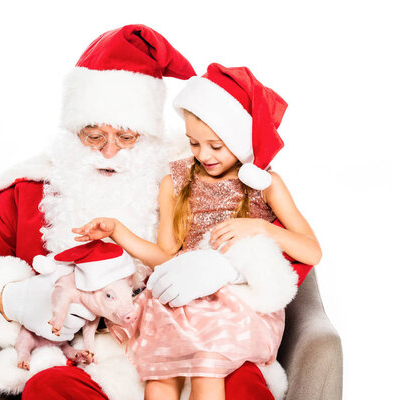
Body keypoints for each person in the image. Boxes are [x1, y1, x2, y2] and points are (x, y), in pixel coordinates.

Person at [0, 25, 311, 400]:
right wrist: (12, 299)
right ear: (72, 131)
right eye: (94, 136)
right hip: (89, 359)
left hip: (188, 346)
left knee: (240, 385)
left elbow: (291, 246)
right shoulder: (29, 189)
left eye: (127, 136)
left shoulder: (192, 170)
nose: (110, 151)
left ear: (148, 135)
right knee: (48, 388)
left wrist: (227, 266)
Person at [72, 63, 321, 400]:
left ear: (239, 138)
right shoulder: (175, 180)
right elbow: (165, 254)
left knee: (207, 366)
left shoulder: (266, 184)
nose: (204, 155)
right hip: (182, 298)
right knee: (161, 376)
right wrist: (118, 231)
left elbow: (311, 251)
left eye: (216, 146)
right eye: (194, 144)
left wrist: (260, 227)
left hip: (235, 304)